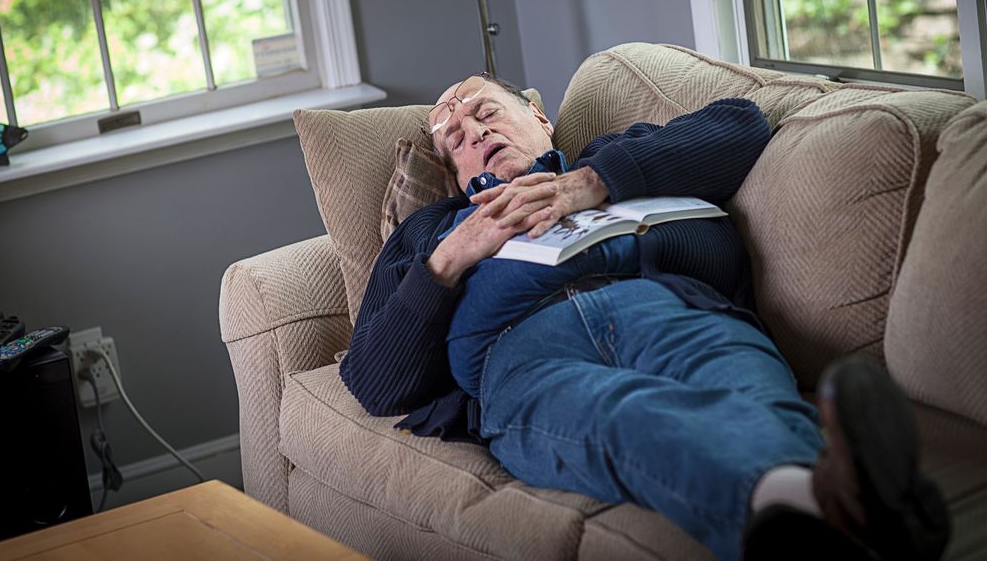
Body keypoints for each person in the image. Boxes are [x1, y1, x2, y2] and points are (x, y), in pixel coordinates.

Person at [339, 72, 950, 560]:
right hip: (521, 355)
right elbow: (373, 379)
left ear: (538, 116)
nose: (471, 133)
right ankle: (839, 506)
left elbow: (742, 125)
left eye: (485, 111)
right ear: (455, 172)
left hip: (677, 307)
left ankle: (817, 513)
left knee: (743, 391)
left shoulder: (618, 156)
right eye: (453, 139)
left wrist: (590, 182)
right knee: (620, 413)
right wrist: (450, 257)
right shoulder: (429, 233)